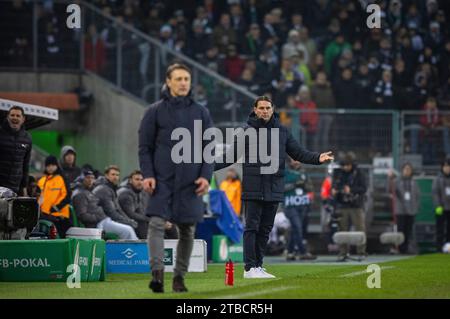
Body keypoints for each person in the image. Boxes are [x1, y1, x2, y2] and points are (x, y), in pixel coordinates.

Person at [215, 96, 333, 278]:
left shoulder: (282, 132)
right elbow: (228, 157)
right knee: (251, 227)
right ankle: (249, 268)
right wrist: (205, 166)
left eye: (267, 108)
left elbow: (298, 153)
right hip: (254, 187)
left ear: (272, 109)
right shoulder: (245, 132)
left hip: (274, 188)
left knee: (265, 230)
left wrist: (317, 158)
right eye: (261, 108)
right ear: (254, 110)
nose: (264, 111)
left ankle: (258, 265)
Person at [138, 63, 213, 293]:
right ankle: (157, 274)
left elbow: (208, 148)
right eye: (178, 79)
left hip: (190, 182)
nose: (183, 83)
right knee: (157, 224)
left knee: (188, 229)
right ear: (168, 82)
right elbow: (144, 147)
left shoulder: (201, 112)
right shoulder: (154, 111)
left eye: (186, 79)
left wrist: (205, 176)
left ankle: (179, 277)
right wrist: (148, 175)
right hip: (162, 181)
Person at [72, 170, 138, 239]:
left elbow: (118, 209)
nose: (90, 180)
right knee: (128, 230)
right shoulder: (80, 194)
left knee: (129, 228)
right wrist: (98, 217)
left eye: (92, 178)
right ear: (81, 178)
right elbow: (82, 215)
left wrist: (128, 221)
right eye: (88, 178)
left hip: (103, 220)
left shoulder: (87, 191)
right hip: (98, 224)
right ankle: (134, 249)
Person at [332, 153, 367, 261]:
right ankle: (343, 252)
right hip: (342, 204)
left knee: (360, 228)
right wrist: (335, 191)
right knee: (342, 229)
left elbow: (363, 189)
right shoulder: (338, 173)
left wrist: (351, 190)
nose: (345, 167)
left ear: (352, 164)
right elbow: (335, 185)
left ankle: (361, 252)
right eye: (344, 165)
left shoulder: (359, 173)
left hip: (356, 205)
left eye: (348, 165)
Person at [283, 158, 317, 261]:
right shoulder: (285, 172)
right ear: (290, 161)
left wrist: (305, 185)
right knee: (297, 227)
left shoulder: (304, 173)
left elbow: (310, 188)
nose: (296, 162)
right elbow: (280, 188)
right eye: (294, 160)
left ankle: (290, 252)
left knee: (296, 229)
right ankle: (303, 252)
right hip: (290, 204)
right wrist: (294, 185)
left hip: (302, 204)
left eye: (298, 160)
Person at [93, 165, 139, 232]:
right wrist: (128, 222)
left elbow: (119, 209)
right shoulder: (103, 189)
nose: (115, 177)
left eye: (117, 175)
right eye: (113, 174)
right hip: (99, 222)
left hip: (107, 219)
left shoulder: (111, 188)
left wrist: (129, 220)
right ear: (106, 175)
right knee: (128, 230)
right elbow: (111, 213)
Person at [388, 163, 421, 254]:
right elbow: (391, 190)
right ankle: (400, 249)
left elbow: (417, 196)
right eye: (405, 169)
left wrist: (416, 207)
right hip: (400, 211)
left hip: (411, 211)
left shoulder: (414, 182)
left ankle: (406, 249)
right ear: (402, 170)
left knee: (408, 231)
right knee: (401, 230)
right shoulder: (397, 181)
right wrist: (390, 178)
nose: (407, 171)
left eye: (409, 169)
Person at [37, 155, 72, 238]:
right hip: (44, 215)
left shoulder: (61, 178)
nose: (50, 168)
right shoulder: (42, 180)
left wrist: (56, 208)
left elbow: (67, 195)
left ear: (57, 166)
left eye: (53, 165)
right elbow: (38, 196)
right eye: (48, 166)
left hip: (59, 216)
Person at [0, 106, 32, 195]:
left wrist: (24, 186)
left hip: (15, 187)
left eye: (18, 116)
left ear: (23, 119)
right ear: (7, 117)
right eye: (12, 115)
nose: (15, 117)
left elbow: (26, 164)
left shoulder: (27, 138)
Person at [117, 170, 151, 239]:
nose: (140, 182)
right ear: (130, 181)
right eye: (137, 179)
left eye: (141, 180)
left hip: (129, 220)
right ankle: (144, 247)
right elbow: (130, 214)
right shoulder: (126, 193)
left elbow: (140, 211)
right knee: (143, 224)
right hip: (121, 220)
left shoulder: (137, 192)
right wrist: (149, 219)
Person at [432, 157, 450, 252]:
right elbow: (435, 193)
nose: (447, 168)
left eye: (449, 166)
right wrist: (438, 205)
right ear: (442, 167)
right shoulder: (438, 179)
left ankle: (448, 248)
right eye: (445, 166)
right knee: (440, 229)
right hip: (441, 208)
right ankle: (439, 248)